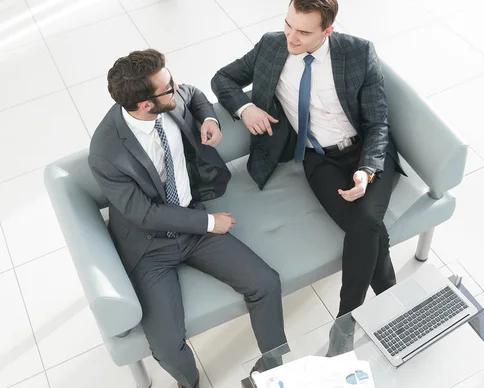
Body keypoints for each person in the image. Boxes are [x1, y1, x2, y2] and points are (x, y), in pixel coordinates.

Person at [89, 49, 287, 388]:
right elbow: (144, 214)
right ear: (145, 105)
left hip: (192, 221)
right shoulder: (106, 153)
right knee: (167, 346)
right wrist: (210, 224)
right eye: (168, 86)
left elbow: (193, 94)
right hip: (149, 247)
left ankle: (271, 374)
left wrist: (208, 118)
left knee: (266, 283)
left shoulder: (169, 96)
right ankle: (189, 384)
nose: (176, 86)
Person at [211, 0, 406, 345]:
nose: (291, 37)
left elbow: (378, 123)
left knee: (365, 223)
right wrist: (246, 108)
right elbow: (222, 78)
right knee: (369, 227)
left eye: (303, 32)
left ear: (327, 30)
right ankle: (392, 304)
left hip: (367, 152)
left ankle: (345, 322)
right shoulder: (272, 45)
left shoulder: (358, 52)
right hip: (318, 158)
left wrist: (366, 171)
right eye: (288, 24)